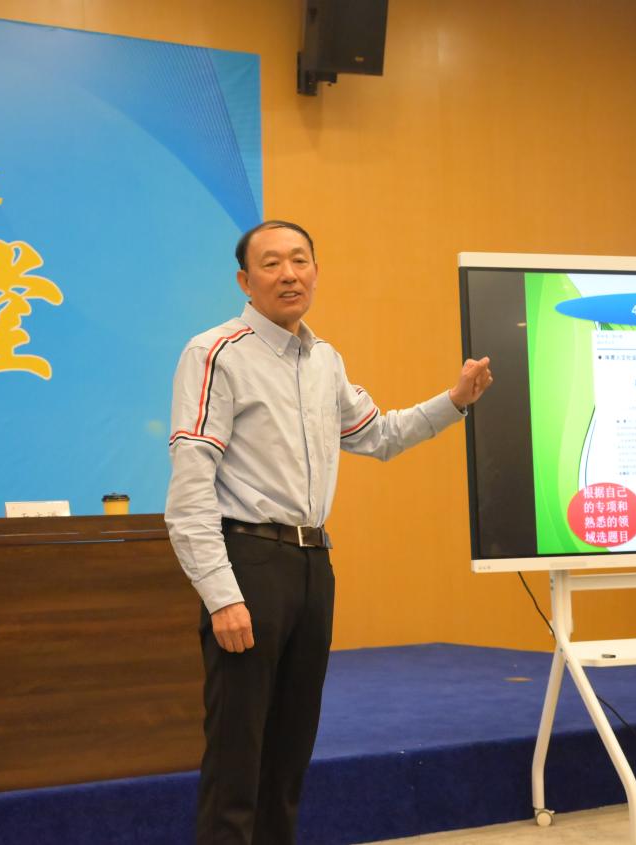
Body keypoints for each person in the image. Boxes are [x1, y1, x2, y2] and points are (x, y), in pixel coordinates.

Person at [165, 220, 492, 845]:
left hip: (314, 566)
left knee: (289, 755)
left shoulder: (324, 360)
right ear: (245, 281)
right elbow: (190, 487)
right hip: (249, 563)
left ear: (315, 271)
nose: (289, 274)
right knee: (237, 754)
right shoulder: (215, 353)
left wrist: (454, 401)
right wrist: (221, 595)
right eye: (271, 264)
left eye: (300, 260)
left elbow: (379, 435)